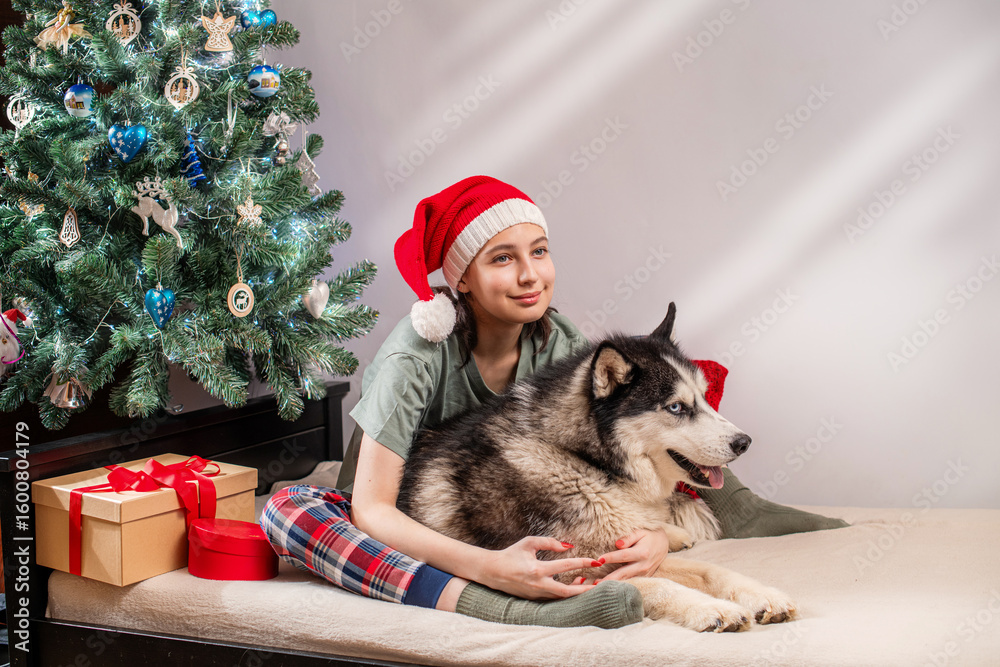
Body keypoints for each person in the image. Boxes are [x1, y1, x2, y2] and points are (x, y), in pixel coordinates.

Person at [260, 175, 846, 628]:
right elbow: (374, 510)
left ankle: (732, 510)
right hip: (381, 496)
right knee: (286, 511)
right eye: (502, 258)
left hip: (499, 489)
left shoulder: (557, 339)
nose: (529, 275)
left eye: (538, 251)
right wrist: (486, 566)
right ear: (461, 278)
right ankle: (502, 606)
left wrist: (655, 541)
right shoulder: (415, 354)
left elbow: (589, 457)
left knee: (653, 441)